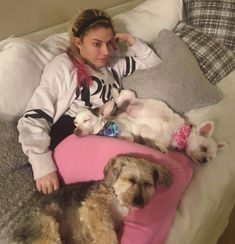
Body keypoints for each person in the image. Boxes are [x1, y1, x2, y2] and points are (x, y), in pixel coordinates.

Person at [17, 8, 161, 195]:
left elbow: (154, 63)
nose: (105, 51)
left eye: (109, 43)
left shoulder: (112, 66)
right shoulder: (63, 67)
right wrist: (41, 165)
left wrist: (128, 39)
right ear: (79, 42)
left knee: (169, 167)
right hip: (72, 138)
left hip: (105, 135)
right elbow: (34, 116)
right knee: (156, 170)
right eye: (97, 44)